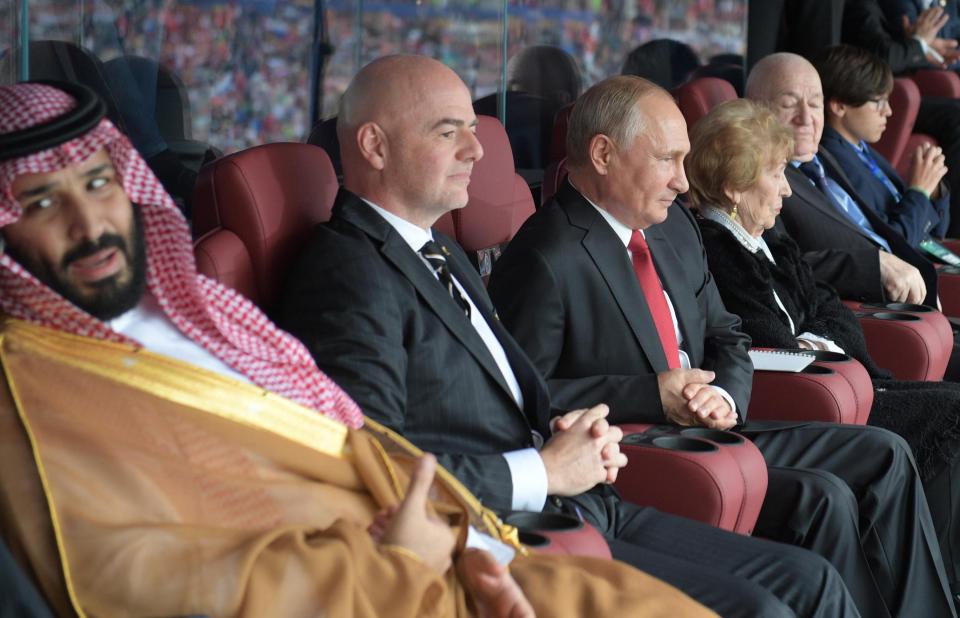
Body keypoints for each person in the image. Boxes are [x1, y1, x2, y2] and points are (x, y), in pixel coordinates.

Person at [0, 80, 719, 618]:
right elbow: (172, 575)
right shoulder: (37, 401)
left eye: (98, 183)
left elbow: (349, 440)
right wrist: (414, 557)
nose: (90, 221)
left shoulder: (197, 308)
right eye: (40, 203)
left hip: (461, 542)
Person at [280, 54, 860, 618]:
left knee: (810, 580)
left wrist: (570, 431)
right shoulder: (348, 272)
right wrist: (544, 468)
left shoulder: (443, 253)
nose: (477, 149)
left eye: (471, 130)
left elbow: (512, 386)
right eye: (448, 131)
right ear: (375, 147)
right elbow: (374, 464)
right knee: (765, 607)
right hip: (507, 530)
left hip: (585, 497)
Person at [486, 73, 955, 618]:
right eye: (667, 160)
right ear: (603, 154)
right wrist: (650, 394)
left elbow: (726, 332)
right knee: (822, 497)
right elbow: (525, 399)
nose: (684, 183)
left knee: (884, 452)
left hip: (714, 419)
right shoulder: (545, 254)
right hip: (641, 444)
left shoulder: (673, 229)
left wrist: (727, 397)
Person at [686, 96, 960, 598]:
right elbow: (771, 342)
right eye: (774, 174)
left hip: (851, 382)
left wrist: (823, 338)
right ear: (733, 187)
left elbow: (826, 305)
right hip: (816, 403)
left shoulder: (766, 235)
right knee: (952, 412)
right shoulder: (717, 250)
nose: (788, 189)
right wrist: (821, 340)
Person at [745, 52, 938, 306]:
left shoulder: (821, 156)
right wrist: (874, 266)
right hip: (866, 308)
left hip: (914, 291)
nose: (806, 118)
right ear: (756, 110)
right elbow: (776, 268)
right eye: (789, 104)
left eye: (814, 104)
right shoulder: (756, 181)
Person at [816, 44, 951, 255]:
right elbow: (894, 247)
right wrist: (919, 191)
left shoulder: (860, 148)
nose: (888, 111)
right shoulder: (834, 160)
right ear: (839, 106)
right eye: (878, 102)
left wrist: (932, 191)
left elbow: (935, 232)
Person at [842, 0, 960, 236]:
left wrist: (922, 46)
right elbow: (885, 55)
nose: (887, 114)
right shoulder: (865, 7)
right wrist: (918, 43)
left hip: (905, 88)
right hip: (887, 91)